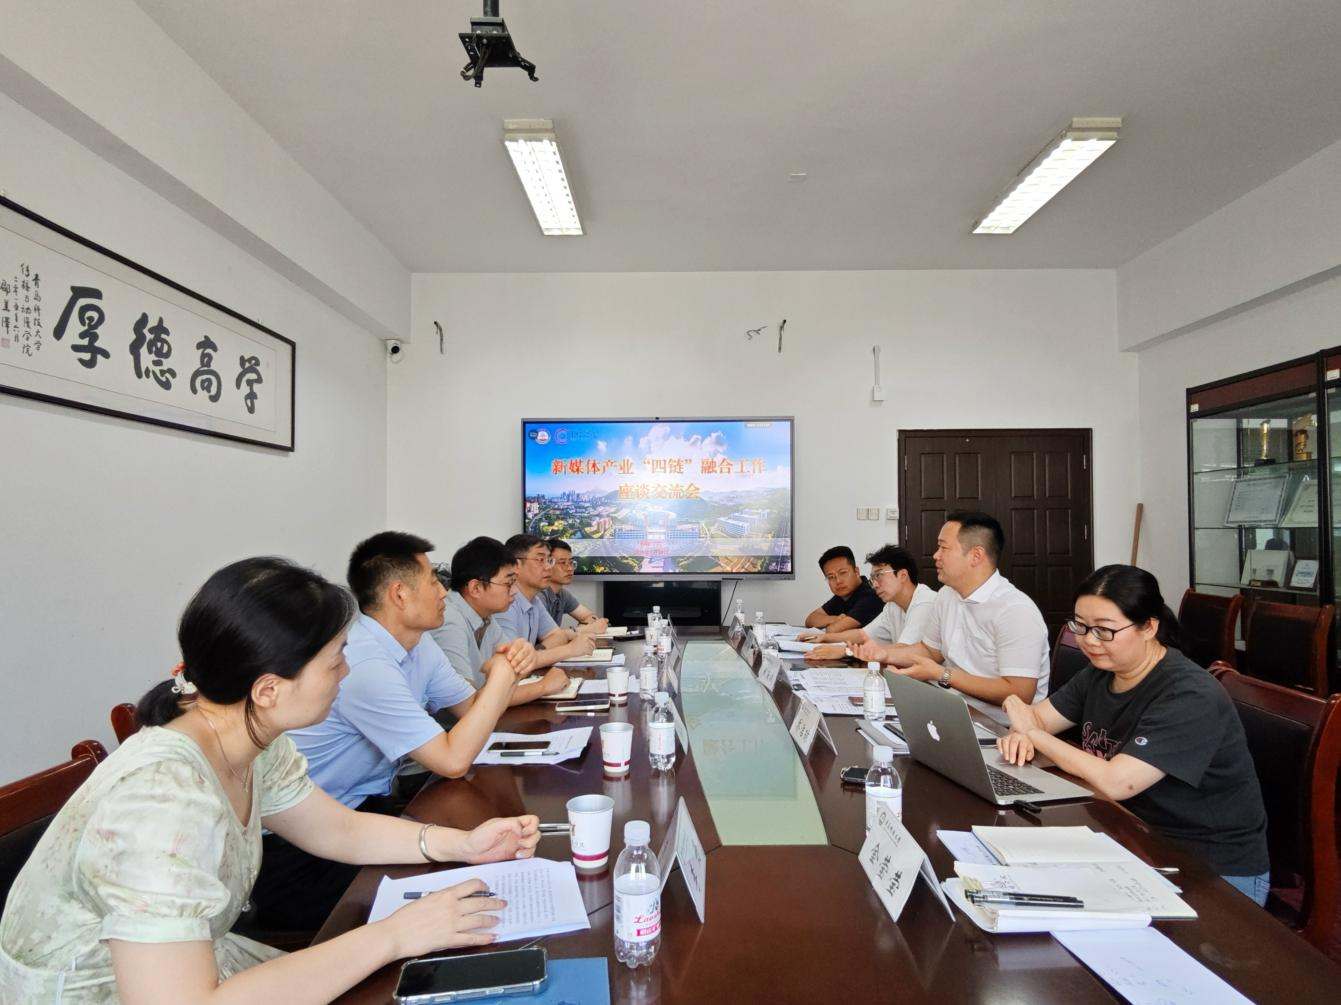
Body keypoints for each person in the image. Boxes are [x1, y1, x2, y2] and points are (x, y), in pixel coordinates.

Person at [0, 557, 539, 1004]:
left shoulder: (252, 737)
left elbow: (338, 830)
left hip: (197, 965)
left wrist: (461, 844)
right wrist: (396, 934)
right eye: (335, 661)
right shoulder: (162, 800)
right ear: (268, 689)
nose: (347, 672)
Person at [254, 532, 539, 930]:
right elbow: (452, 760)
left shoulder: (418, 643)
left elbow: (472, 707)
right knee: (459, 899)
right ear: (400, 594)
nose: (444, 591)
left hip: (358, 814)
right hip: (295, 849)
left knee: (468, 876)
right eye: (433, 581)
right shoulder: (364, 663)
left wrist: (506, 674)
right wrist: (503, 676)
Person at [996, 564, 1270, 904]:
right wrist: (1026, 731)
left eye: (1104, 630)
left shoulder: (1189, 694)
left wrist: (1032, 734)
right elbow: (1037, 717)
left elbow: (1117, 782)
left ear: (1149, 627)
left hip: (1208, 865)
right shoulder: (1101, 672)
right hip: (1131, 833)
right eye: (1081, 626)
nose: (1089, 640)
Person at [854, 511, 1048, 724]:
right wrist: (885, 654)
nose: (936, 555)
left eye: (943, 548)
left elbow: (1020, 693)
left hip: (1002, 727)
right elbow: (930, 651)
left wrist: (943, 674)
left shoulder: (1015, 610)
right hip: (953, 710)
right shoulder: (947, 595)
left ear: (976, 555)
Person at [431, 536, 570, 695]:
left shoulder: (485, 617)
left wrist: (523, 658)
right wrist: (542, 687)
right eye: (508, 584)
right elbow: (466, 702)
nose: (515, 591)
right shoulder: (449, 621)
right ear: (476, 588)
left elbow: (515, 668)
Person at [804, 545, 937, 662]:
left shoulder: (925, 603)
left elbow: (905, 650)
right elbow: (863, 635)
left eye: (879, 575)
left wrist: (846, 651)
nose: (875, 585)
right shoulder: (893, 605)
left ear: (902, 575)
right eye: (873, 578)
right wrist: (824, 638)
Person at [495, 534, 598, 668]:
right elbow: (513, 663)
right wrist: (570, 650)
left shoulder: (534, 600)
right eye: (540, 560)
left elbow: (558, 636)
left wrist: (535, 654)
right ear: (516, 565)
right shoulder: (504, 604)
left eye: (549, 560)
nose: (548, 567)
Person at [802, 545, 884, 631]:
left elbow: (833, 629)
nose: (838, 581)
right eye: (831, 577)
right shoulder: (842, 595)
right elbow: (810, 620)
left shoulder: (872, 595)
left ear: (856, 572)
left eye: (843, 573)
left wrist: (831, 623)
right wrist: (836, 619)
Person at [543, 537, 608, 634]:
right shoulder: (538, 595)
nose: (570, 568)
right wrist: (586, 629)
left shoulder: (562, 594)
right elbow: (547, 636)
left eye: (571, 563)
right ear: (547, 564)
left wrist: (586, 627)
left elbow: (590, 616)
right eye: (563, 563)